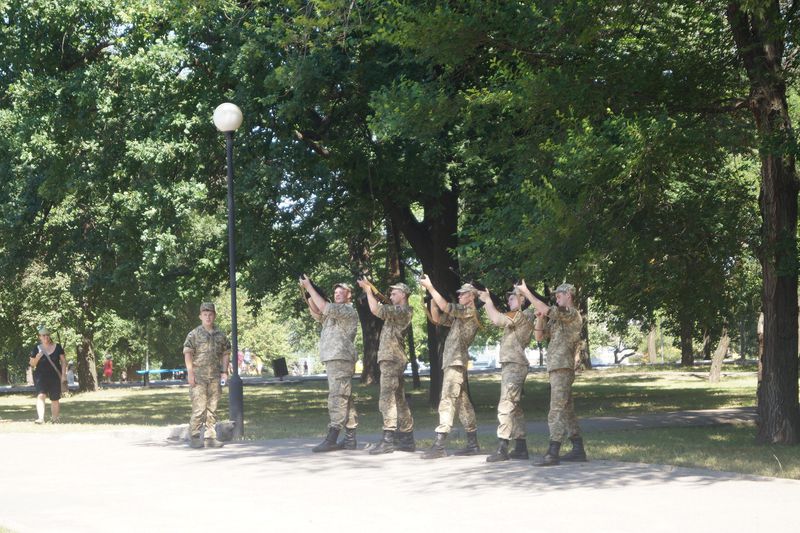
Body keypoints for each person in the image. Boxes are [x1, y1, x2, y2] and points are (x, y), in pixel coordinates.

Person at [517, 281, 586, 466]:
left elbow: (548, 310)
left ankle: (553, 451)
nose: (556, 298)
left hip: (563, 367)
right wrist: (539, 317)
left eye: (559, 295)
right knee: (567, 411)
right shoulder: (558, 319)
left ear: (568, 295)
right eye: (555, 296)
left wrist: (527, 292)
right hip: (556, 368)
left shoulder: (571, 314)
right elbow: (539, 336)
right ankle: (578, 449)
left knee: (555, 409)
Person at [418, 275, 481, 459]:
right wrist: (431, 300)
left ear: (471, 296)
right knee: (463, 403)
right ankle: (473, 443)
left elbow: (446, 306)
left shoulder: (469, 310)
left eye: (463, 294)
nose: (459, 296)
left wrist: (431, 287)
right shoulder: (459, 316)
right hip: (453, 361)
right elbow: (438, 319)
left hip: (456, 361)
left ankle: (439, 444)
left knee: (447, 399)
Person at [301, 275, 359, 452]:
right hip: (334, 358)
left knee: (337, 397)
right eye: (335, 292)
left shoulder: (348, 311)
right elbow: (317, 310)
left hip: (340, 358)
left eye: (342, 291)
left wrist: (309, 286)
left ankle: (332, 437)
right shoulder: (331, 314)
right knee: (345, 397)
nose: (338, 293)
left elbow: (324, 307)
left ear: (350, 295)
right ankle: (350, 439)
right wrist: (308, 291)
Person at [357, 278, 415, 454]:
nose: (391, 295)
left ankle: (388, 438)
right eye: (390, 293)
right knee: (398, 398)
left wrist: (368, 290)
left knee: (387, 397)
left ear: (403, 294)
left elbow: (375, 309)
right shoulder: (396, 311)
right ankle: (406, 438)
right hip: (393, 357)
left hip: (392, 358)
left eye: (394, 292)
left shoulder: (402, 310)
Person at [478, 288, 535, 462]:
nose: (509, 301)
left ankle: (502, 447)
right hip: (512, 365)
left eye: (513, 298)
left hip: (515, 365)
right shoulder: (515, 316)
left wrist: (487, 300)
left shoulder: (522, 315)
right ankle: (521, 447)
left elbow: (496, 319)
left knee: (506, 404)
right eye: (508, 298)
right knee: (515, 408)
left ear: (523, 300)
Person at [183, 302, 231, 449]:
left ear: (214, 316)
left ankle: (210, 437)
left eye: (210, 314)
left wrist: (224, 372)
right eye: (205, 314)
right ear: (200, 316)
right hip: (198, 377)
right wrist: (190, 373)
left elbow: (226, 353)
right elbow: (188, 353)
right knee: (199, 408)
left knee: (213, 407)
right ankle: (195, 435)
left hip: (215, 376)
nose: (208, 317)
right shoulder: (194, 334)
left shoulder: (221, 335)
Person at [29, 326, 66, 424]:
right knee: (41, 395)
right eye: (43, 335)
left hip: (54, 377)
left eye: (47, 335)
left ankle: (55, 418)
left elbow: (63, 362)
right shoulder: (36, 348)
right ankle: (41, 418)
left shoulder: (57, 347)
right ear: (39, 337)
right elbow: (32, 364)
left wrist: (64, 375)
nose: (46, 337)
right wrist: (37, 358)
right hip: (40, 376)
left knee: (55, 398)